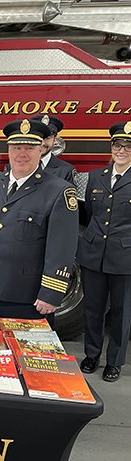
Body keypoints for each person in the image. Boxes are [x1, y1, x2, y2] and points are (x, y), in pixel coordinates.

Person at [0, 119, 79, 320]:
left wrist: (51, 293)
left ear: (41, 149)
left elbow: (62, 248)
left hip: (26, 296)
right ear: (8, 150)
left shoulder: (59, 191)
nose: (21, 154)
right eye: (16, 147)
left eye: (29, 148)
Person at [77, 122, 131, 382]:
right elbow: (89, 214)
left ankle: (115, 361)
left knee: (121, 313)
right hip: (93, 254)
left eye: (128, 146)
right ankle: (91, 354)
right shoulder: (96, 177)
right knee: (92, 309)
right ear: (111, 147)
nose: (121, 150)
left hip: (124, 258)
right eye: (118, 145)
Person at [30, 115, 76, 184]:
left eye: (47, 138)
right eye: (39, 138)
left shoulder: (66, 170)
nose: (42, 143)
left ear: (54, 139)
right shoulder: (16, 166)